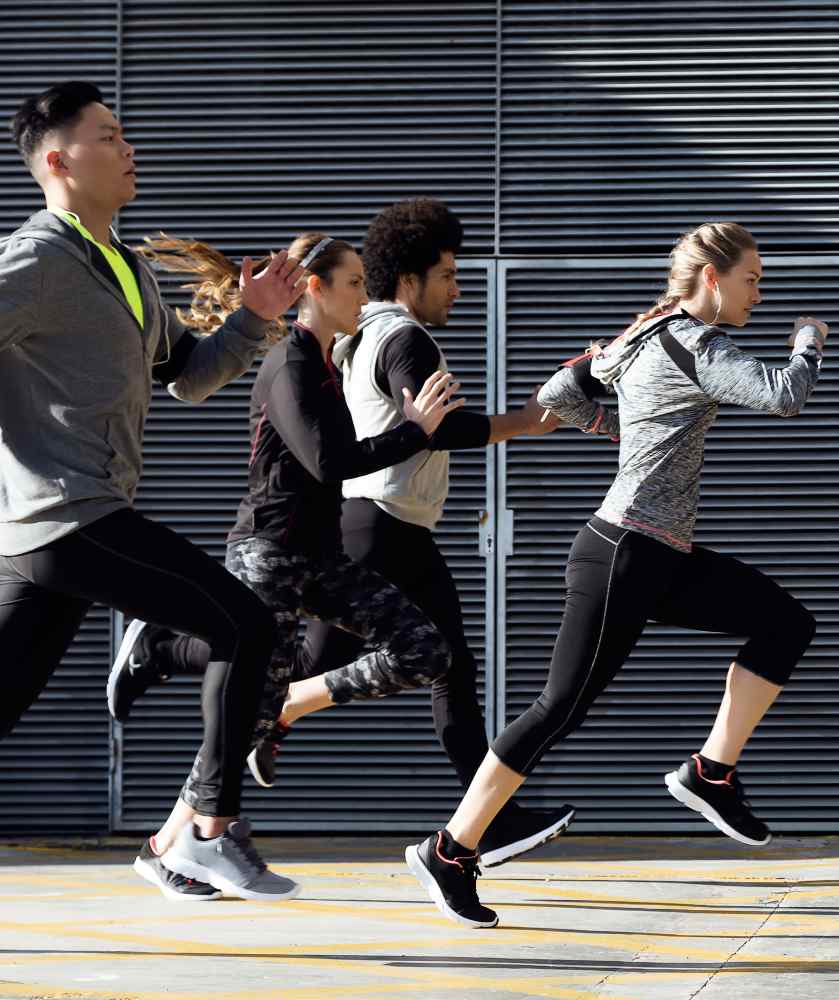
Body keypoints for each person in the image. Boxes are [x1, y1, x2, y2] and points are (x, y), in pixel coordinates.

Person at [122, 197, 578, 869]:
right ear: (409, 280)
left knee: (317, 669)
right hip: (366, 526)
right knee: (384, 666)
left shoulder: (344, 346)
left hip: (360, 527)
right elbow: (411, 434)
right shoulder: (390, 340)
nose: (456, 288)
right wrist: (523, 421)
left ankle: (170, 834)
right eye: (448, 275)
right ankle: (168, 655)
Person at [404, 222, 830, 928]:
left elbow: (559, 391)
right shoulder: (698, 343)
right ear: (715, 281)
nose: (761, 293)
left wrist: (623, 430)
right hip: (624, 553)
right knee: (558, 708)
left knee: (786, 622)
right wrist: (808, 338)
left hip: (656, 554)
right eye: (752, 280)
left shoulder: (644, 334)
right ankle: (450, 850)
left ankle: (710, 774)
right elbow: (785, 393)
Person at [1, 81, 305, 901]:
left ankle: (157, 673)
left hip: (62, 529)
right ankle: (207, 830)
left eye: (124, 132)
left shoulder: (124, 267)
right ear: (60, 161)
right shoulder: (34, 259)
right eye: (108, 135)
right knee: (247, 622)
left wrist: (251, 316)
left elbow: (188, 377)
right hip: (65, 514)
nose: (127, 146)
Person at [107, 232, 464, 899]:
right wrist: (414, 429)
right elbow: (328, 463)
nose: (365, 293)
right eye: (354, 283)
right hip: (269, 551)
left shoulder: (328, 362)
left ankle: (168, 830)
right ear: (314, 289)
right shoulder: (291, 364)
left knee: (423, 650)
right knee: (248, 708)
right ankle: (164, 661)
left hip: (319, 554)